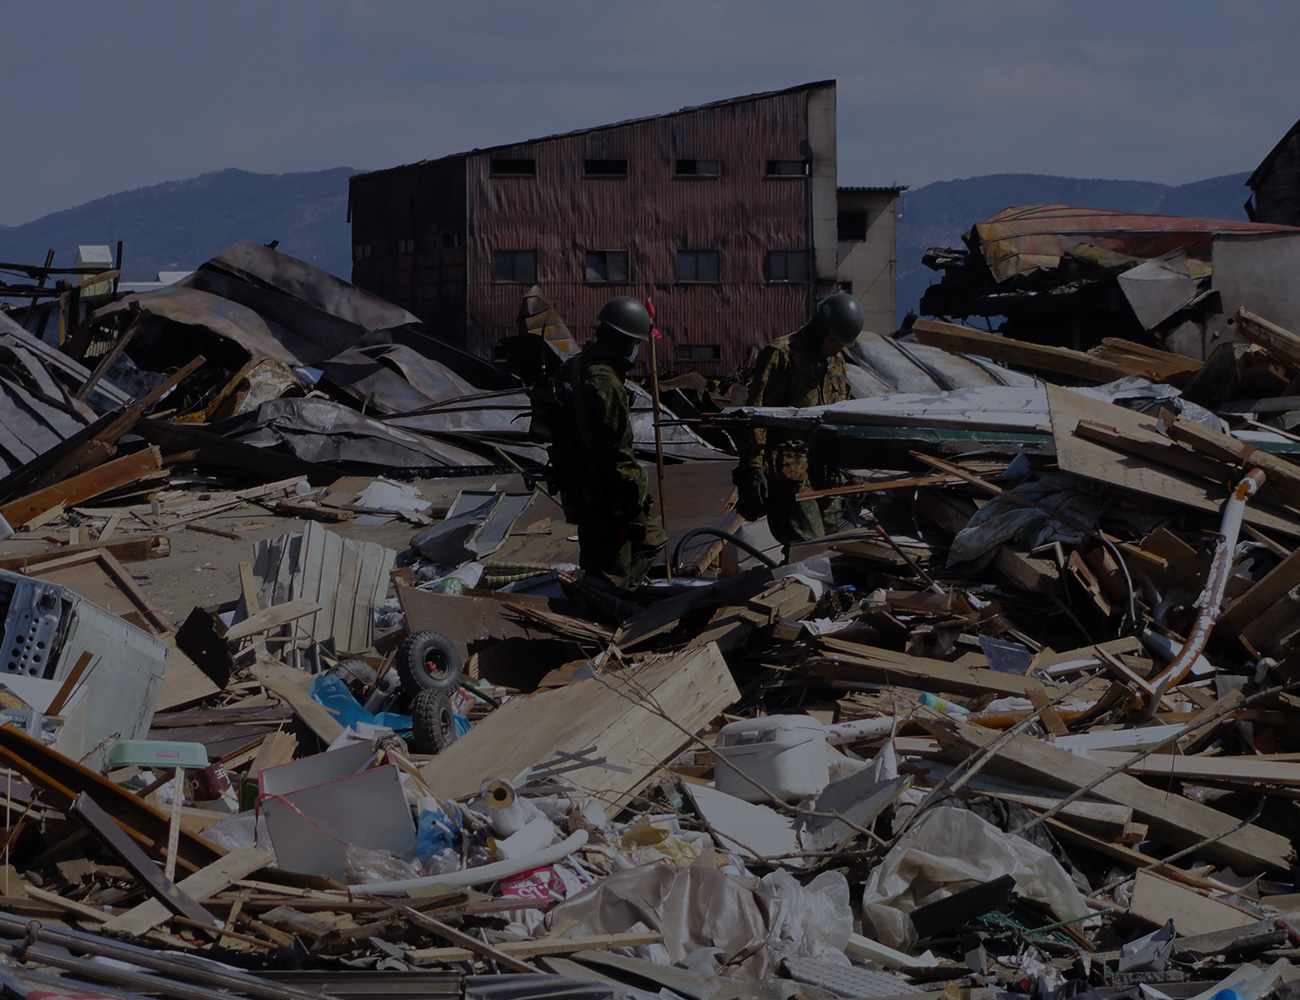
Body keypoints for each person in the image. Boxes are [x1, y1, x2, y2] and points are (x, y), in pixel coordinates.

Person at [543, 296, 667, 592]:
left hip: (579, 485)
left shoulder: (575, 366)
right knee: (611, 572)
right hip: (606, 495)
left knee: (614, 554)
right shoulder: (606, 384)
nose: (636, 349)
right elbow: (617, 455)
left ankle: (605, 594)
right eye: (635, 343)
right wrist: (636, 503)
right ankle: (606, 605)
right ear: (624, 342)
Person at [733, 292, 865, 550]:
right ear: (820, 329)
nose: (838, 349)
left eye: (842, 344)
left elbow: (842, 414)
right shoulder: (781, 354)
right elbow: (757, 413)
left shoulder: (835, 361)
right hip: (790, 474)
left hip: (828, 472)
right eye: (835, 341)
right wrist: (752, 467)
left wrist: (854, 471)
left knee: (837, 546)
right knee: (810, 548)